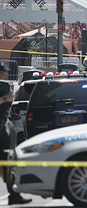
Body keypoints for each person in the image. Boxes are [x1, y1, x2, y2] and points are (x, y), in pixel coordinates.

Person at [0, 61, 32, 205]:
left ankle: (14, 196)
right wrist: (6, 99)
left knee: (8, 166)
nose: (5, 74)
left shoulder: (2, 86)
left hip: (2, 132)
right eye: (3, 71)